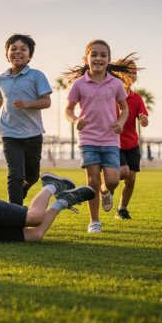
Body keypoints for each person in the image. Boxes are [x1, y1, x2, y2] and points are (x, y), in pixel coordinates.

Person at [0, 34, 52, 204]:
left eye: (23, 49)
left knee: (32, 176)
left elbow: (47, 101)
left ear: (30, 55)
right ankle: (14, 214)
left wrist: (28, 104)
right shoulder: (2, 79)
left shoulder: (37, 76)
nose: (18, 52)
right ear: (6, 54)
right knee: (15, 175)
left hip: (33, 134)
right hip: (9, 133)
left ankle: (23, 189)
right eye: (13, 48)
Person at [62, 40, 131, 233]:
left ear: (108, 60)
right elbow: (68, 109)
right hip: (88, 139)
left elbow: (124, 109)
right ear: (86, 58)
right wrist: (75, 120)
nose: (98, 58)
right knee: (92, 180)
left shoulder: (116, 84)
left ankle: (105, 190)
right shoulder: (79, 84)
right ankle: (94, 222)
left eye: (103, 55)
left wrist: (121, 122)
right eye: (94, 55)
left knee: (112, 180)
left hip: (110, 139)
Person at [113, 56, 149, 220]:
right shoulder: (111, 96)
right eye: (128, 72)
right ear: (118, 74)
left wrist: (143, 119)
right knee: (122, 173)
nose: (132, 76)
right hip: (114, 143)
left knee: (131, 178)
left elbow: (144, 120)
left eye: (134, 73)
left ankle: (122, 209)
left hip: (132, 144)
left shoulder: (137, 98)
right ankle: (105, 187)